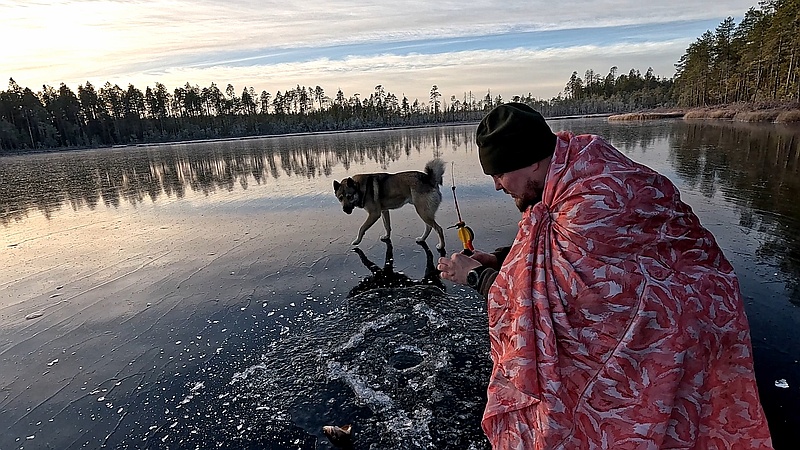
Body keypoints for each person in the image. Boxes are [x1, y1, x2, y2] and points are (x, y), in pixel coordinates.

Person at [437, 103, 774, 449]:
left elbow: (555, 305)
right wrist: (501, 258)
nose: (496, 186)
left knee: (603, 420)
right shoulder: (583, 163)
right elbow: (564, 254)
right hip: (693, 307)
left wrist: (479, 277)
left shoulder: (592, 204)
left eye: (500, 174)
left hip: (674, 330)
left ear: (532, 160)